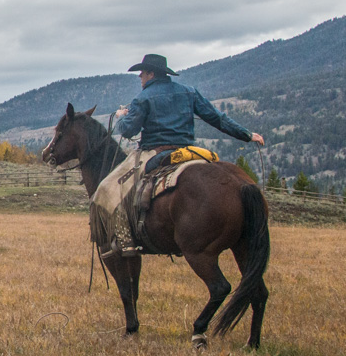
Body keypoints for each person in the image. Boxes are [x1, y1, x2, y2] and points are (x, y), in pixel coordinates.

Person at [107, 54, 265, 255]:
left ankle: (126, 239)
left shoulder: (142, 98)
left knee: (120, 185)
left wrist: (121, 117)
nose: (140, 77)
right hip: (188, 151)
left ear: (151, 73)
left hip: (157, 152)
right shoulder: (189, 92)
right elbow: (217, 119)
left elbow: (128, 130)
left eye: (142, 73)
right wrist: (247, 135)